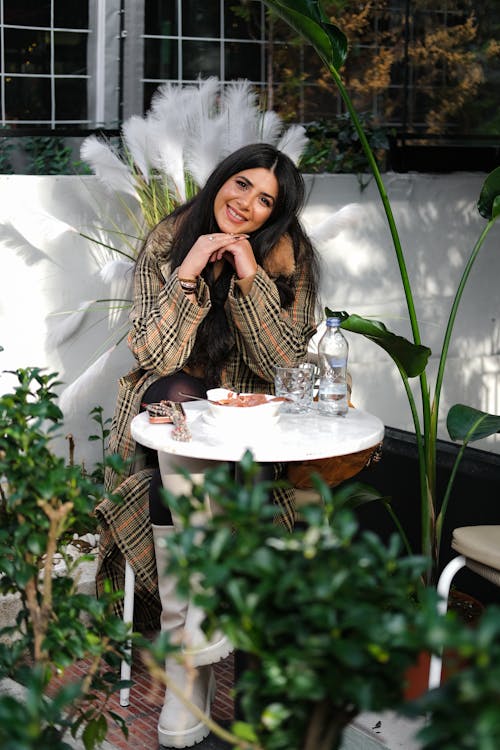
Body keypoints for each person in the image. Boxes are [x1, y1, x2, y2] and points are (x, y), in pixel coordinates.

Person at [95, 142, 320, 747]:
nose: (246, 203)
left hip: (248, 436)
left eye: (265, 198)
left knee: (226, 460)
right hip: (165, 420)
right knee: (177, 392)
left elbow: (284, 365)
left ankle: (191, 661)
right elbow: (152, 353)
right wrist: (190, 270)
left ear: (277, 212)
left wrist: (249, 280)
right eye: (241, 184)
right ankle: (198, 639)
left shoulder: (285, 256)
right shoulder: (169, 241)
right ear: (221, 179)